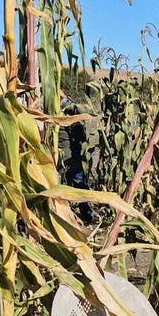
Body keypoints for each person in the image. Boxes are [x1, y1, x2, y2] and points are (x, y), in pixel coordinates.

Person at [58, 92, 95, 224]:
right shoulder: (67, 116)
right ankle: (84, 214)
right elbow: (81, 138)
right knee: (78, 186)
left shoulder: (64, 113)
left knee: (73, 185)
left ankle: (81, 214)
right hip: (66, 159)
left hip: (65, 159)